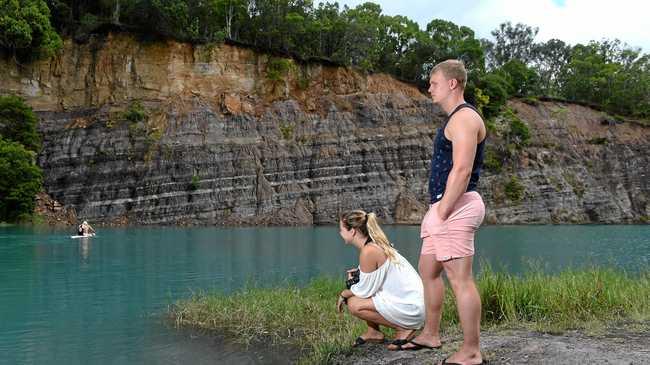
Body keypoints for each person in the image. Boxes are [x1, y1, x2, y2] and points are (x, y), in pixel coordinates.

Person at [400, 60, 487, 365]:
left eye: (434, 82)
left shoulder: (464, 118)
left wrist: (443, 211)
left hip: (454, 207)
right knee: (428, 270)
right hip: (442, 206)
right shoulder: (456, 119)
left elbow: (462, 170)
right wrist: (436, 210)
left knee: (460, 279)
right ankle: (431, 334)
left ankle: (472, 351)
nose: (429, 88)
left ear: (452, 83)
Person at [336, 210, 425, 351]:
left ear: (352, 231)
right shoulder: (373, 244)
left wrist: (344, 293)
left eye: (341, 229)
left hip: (411, 309)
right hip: (412, 303)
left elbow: (363, 292)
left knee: (354, 304)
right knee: (356, 288)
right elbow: (371, 284)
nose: (339, 233)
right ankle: (374, 332)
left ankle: (404, 328)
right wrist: (359, 277)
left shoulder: (369, 251)